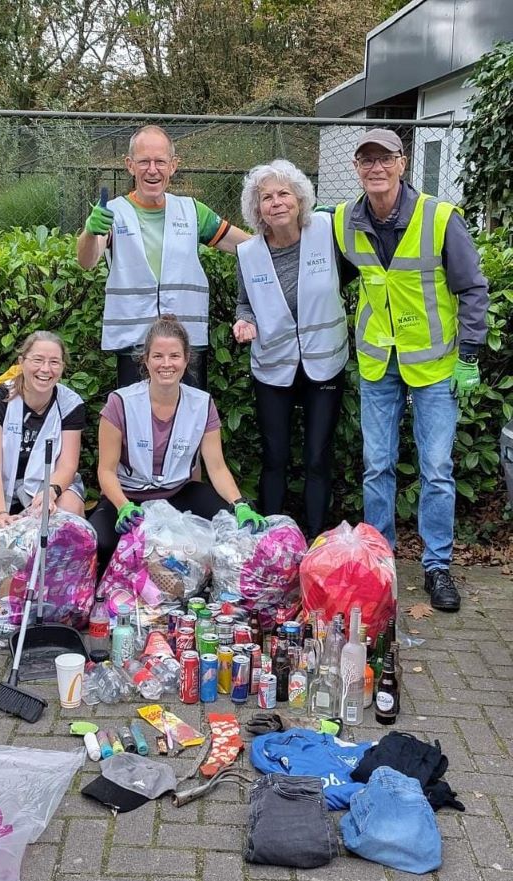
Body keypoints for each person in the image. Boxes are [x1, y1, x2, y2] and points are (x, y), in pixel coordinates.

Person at [334, 129, 489, 611]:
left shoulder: (440, 219)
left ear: (403, 164)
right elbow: (329, 277)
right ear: (357, 168)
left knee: (437, 469)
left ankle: (437, 566)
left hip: (434, 363)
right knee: (376, 465)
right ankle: (380, 564)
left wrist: (468, 355)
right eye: (366, 161)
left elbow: (473, 288)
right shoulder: (343, 220)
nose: (375, 169)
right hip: (379, 360)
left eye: (385, 160)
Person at [233, 159, 356, 541]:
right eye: (266, 197)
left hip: (325, 361)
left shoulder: (327, 232)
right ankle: (272, 542)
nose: (276, 202)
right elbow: (244, 302)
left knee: (318, 456)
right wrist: (243, 321)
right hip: (273, 365)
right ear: (257, 210)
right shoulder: (249, 253)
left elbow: (354, 272)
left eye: (284, 193)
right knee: (276, 457)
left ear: (300, 199)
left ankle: (317, 539)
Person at [76, 124, 250, 390]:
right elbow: (87, 261)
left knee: (189, 421)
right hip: (134, 344)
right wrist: (90, 231)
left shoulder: (193, 211)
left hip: (185, 345)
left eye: (160, 161)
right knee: (135, 423)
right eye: (144, 161)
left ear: (173, 165)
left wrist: (295, 231)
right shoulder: (112, 213)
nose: (152, 169)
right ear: (130, 165)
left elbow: (247, 246)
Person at [90, 314, 266, 575]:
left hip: (178, 493)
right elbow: (105, 470)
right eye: (158, 356)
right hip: (128, 497)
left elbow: (216, 467)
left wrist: (240, 504)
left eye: (174, 356)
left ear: (186, 360)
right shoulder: (120, 402)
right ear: (145, 359)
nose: (166, 364)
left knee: (228, 529)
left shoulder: (203, 404)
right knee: (101, 542)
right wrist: (122, 506)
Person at [0, 331, 86, 546]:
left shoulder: (71, 404)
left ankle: (64, 572)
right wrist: (0, 513)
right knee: (9, 554)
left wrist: (51, 491)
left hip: (43, 490)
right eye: (37, 360)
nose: (45, 369)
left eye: (54, 362)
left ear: (63, 367)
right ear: (22, 361)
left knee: (70, 509)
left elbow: (67, 465)